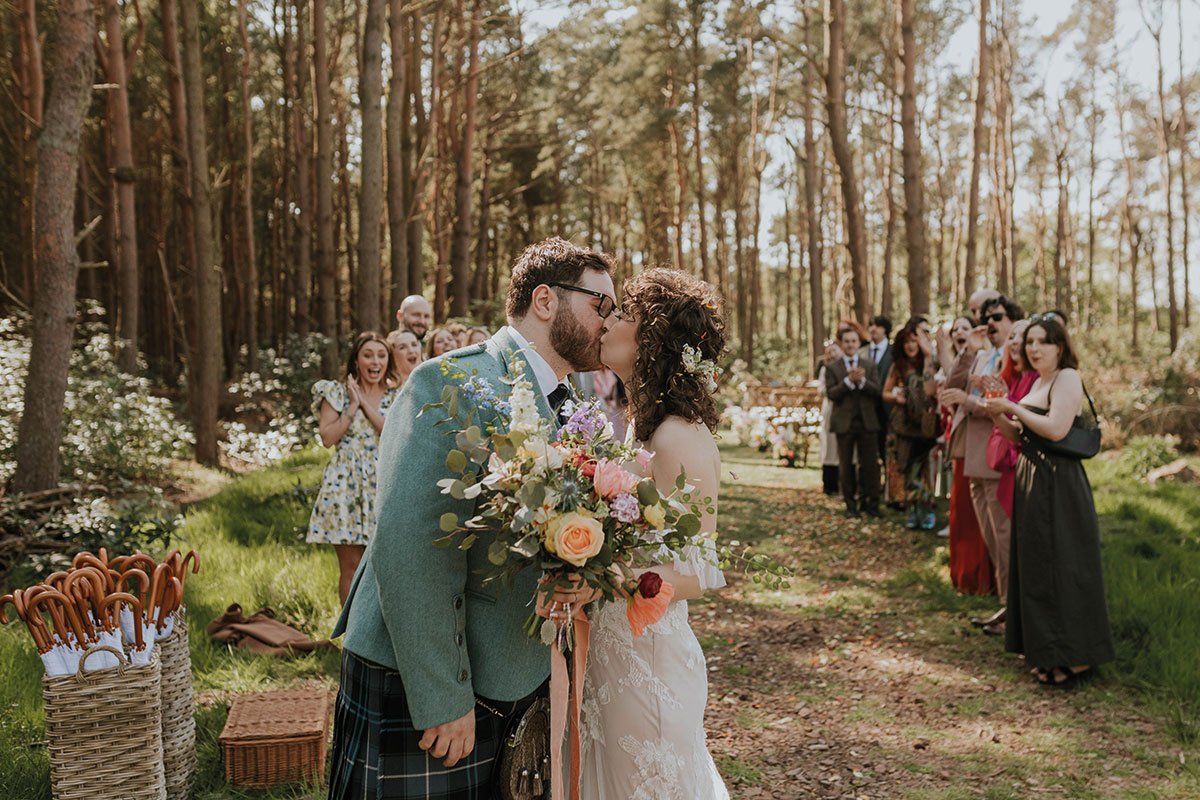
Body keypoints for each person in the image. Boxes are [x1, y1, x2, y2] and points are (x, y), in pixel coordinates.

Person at [328, 237, 618, 799]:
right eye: (600, 305)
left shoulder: (572, 405)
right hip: (423, 679)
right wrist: (442, 697)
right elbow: (411, 547)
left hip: (511, 671)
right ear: (545, 300)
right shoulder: (452, 382)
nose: (609, 321)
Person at [584, 266, 729, 800]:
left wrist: (599, 571)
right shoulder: (640, 427)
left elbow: (698, 571)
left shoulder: (676, 437)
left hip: (649, 660)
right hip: (616, 649)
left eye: (622, 314)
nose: (606, 322)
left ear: (653, 340)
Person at [981, 316, 1114, 687]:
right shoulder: (1037, 381)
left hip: (1059, 481)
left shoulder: (1067, 377)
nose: (1034, 349)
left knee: (1063, 564)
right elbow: (1020, 436)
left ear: (1060, 347)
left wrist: (1012, 406)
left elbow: (1056, 429)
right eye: (1031, 343)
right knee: (1038, 565)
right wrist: (999, 415)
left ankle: (1076, 658)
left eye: (1044, 342)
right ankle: (1046, 649)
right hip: (1032, 476)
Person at [945, 295, 1023, 634]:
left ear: (1013, 321)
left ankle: (1012, 608)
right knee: (992, 537)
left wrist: (970, 401)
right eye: (986, 317)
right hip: (972, 456)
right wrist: (968, 350)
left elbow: (1004, 403)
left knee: (1004, 535)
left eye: (997, 317)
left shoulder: (1014, 357)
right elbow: (953, 385)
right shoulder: (983, 355)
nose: (988, 322)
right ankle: (1006, 605)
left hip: (997, 455)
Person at [307, 332, 401, 604]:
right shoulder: (335, 392)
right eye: (368, 355)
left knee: (381, 567)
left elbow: (392, 433)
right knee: (350, 567)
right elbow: (327, 438)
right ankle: (350, 641)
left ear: (388, 360)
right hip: (344, 485)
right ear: (356, 361)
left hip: (382, 483)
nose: (375, 361)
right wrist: (351, 406)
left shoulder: (398, 394)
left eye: (381, 355)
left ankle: (376, 639)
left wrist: (365, 405)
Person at [883, 322, 939, 530]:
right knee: (906, 468)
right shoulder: (898, 365)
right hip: (903, 426)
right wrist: (898, 398)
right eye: (906, 342)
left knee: (922, 470)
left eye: (914, 340)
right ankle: (913, 511)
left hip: (925, 425)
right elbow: (885, 392)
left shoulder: (932, 362)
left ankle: (927, 510)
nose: (910, 345)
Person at [825, 322, 882, 518]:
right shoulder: (832, 367)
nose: (850, 345)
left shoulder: (869, 365)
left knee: (870, 466)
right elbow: (831, 394)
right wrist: (848, 382)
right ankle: (850, 506)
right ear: (842, 344)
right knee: (846, 466)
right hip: (844, 423)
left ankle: (872, 504)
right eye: (847, 342)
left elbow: (877, 391)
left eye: (854, 341)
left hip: (867, 422)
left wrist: (863, 382)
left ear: (859, 343)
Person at [991, 319, 1035, 517]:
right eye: (1012, 337)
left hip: (1026, 463)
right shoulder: (1016, 378)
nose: (1014, 342)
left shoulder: (1037, 379)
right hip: (1009, 463)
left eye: (1021, 336)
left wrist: (1006, 401)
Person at [866, 316, 899, 507]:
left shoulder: (894, 351)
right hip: (868, 411)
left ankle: (891, 490)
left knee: (890, 452)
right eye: (871, 325)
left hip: (889, 410)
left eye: (876, 326)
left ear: (885, 330)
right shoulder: (863, 351)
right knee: (871, 453)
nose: (872, 329)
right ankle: (872, 489)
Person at [817, 338, 845, 496]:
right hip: (830, 409)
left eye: (834, 350)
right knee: (830, 446)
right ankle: (830, 484)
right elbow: (822, 389)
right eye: (829, 352)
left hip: (845, 409)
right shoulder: (825, 369)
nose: (832, 354)